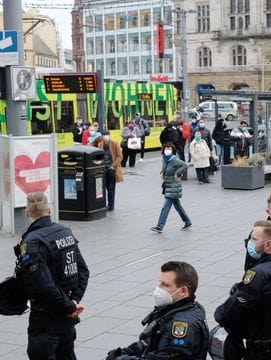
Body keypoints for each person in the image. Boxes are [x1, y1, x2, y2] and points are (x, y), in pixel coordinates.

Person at [215, 220, 271, 360]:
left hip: (262, 348)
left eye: (254, 239)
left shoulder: (260, 274)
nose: (249, 242)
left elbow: (228, 314)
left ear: (268, 244)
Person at [17, 192, 89, 359]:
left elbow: (44, 284)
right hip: (67, 317)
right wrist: (74, 301)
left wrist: (69, 307)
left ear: (27, 213)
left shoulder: (32, 242)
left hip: (45, 318)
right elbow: (83, 271)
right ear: (49, 210)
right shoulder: (64, 231)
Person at [106, 261, 209, 360]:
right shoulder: (175, 309)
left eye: (165, 285)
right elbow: (147, 343)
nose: (159, 288)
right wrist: (123, 353)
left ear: (183, 291)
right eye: (160, 283)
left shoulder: (181, 325)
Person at [150, 142, 192, 233]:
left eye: (169, 149)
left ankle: (159, 226)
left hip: (173, 186)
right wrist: (162, 172)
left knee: (166, 207)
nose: (167, 150)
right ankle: (187, 221)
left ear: (172, 150)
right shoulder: (164, 159)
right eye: (166, 149)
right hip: (168, 184)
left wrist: (178, 173)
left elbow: (185, 165)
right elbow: (164, 168)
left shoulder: (174, 159)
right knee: (177, 206)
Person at [90, 131, 123, 211]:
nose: (106, 137)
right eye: (104, 135)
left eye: (107, 135)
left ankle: (111, 206)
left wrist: (113, 166)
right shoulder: (100, 144)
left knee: (111, 189)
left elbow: (119, 156)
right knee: (101, 188)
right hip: (102, 170)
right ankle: (102, 204)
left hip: (111, 169)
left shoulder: (115, 143)